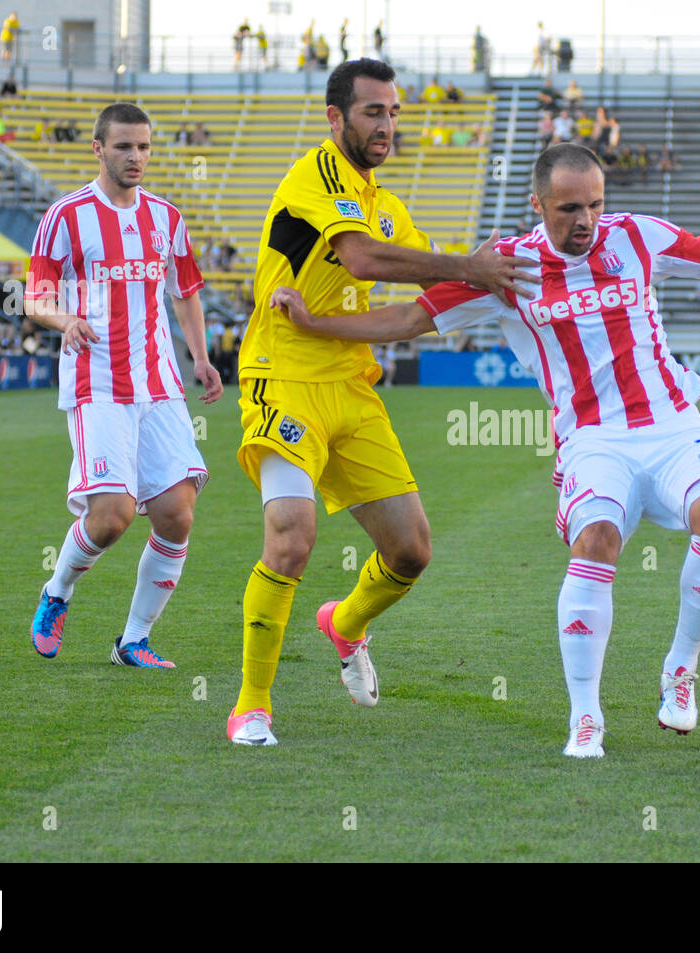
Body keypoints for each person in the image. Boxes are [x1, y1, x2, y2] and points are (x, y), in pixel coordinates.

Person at [269, 142, 700, 757]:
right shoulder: (505, 268)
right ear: (538, 204)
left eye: (594, 204)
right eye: (569, 208)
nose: (586, 221)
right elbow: (405, 320)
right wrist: (314, 325)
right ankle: (586, 716)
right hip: (593, 439)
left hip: (675, 423)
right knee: (595, 539)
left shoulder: (638, 237)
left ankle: (681, 668)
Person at [224, 58, 536, 747]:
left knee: (411, 550)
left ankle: (345, 622)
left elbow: (426, 297)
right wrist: (469, 265)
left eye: (394, 112)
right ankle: (251, 705)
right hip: (283, 374)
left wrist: (510, 265)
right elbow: (363, 260)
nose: (387, 124)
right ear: (335, 118)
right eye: (373, 112)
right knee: (292, 533)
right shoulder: (314, 178)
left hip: (352, 385)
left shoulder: (389, 207)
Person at [25, 102, 223, 670]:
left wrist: (201, 358)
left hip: (159, 381)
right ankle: (57, 592)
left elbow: (185, 291)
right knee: (111, 516)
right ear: (99, 148)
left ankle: (132, 641)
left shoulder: (166, 216)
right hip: (98, 380)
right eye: (124, 147)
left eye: (143, 147)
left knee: (177, 513)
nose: (136, 157)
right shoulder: (66, 215)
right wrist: (65, 320)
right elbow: (36, 293)